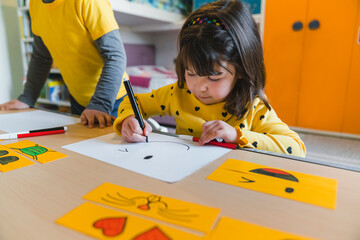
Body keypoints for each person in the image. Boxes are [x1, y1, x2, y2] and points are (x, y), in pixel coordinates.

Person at [113, 0, 306, 157]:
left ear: (240, 69)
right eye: (191, 73)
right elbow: (133, 101)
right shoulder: (177, 93)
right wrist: (128, 120)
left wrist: (237, 135)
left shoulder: (253, 106)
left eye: (214, 77)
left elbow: (296, 148)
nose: (199, 87)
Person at [0, 0, 128, 129]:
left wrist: (100, 103)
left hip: (112, 99)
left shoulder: (89, 2)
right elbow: (41, 58)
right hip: (78, 99)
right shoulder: (35, 4)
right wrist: (27, 98)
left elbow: (115, 56)